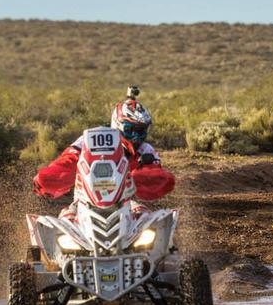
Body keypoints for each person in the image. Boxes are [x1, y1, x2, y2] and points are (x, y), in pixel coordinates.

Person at [33, 86, 175, 219]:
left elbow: (155, 174)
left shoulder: (146, 150)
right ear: (118, 123)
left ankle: (167, 245)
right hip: (84, 202)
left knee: (151, 221)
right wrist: (50, 176)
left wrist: (150, 178)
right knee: (63, 222)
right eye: (131, 130)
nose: (137, 136)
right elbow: (68, 160)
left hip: (127, 204)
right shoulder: (89, 140)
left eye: (141, 130)